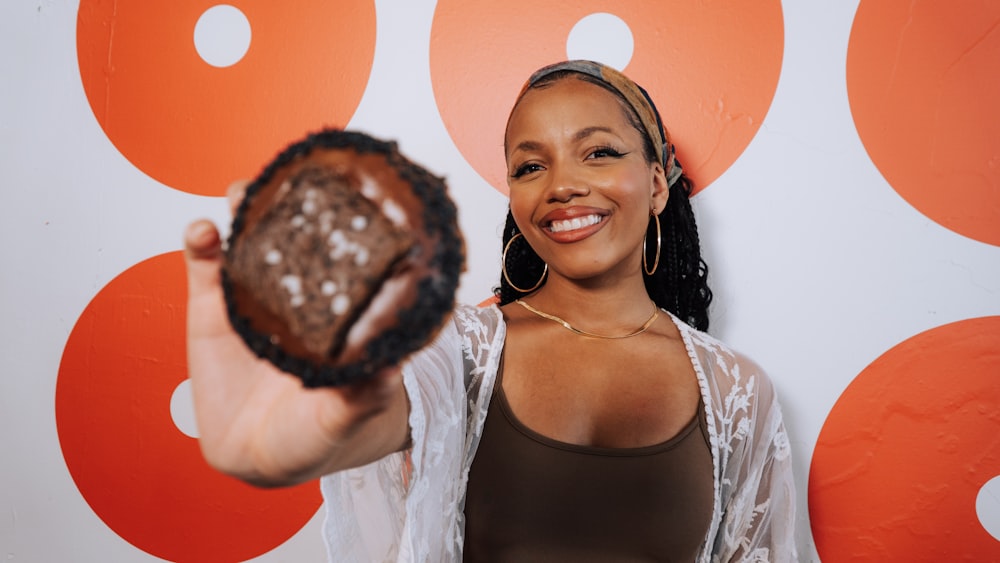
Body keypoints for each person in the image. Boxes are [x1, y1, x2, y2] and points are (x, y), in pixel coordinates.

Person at [184, 60, 797, 562]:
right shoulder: (457, 349)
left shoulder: (735, 393)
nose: (562, 185)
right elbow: (369, 417)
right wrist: (296, 440)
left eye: (600, 153)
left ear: (659, 182)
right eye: (531, 166)